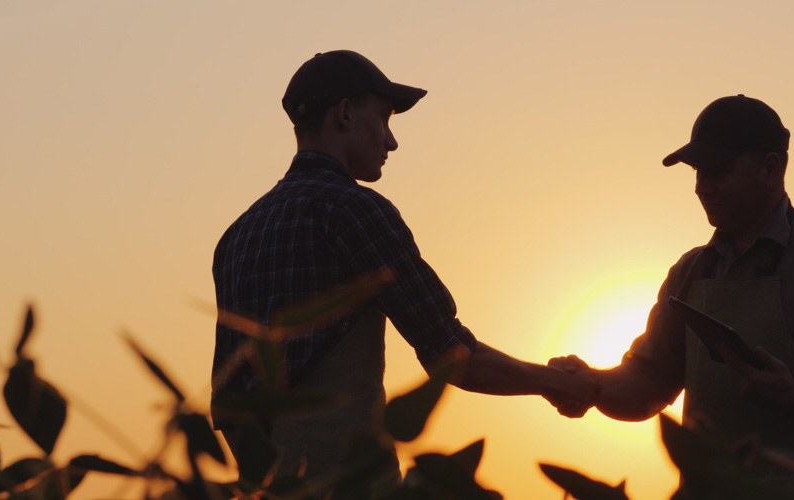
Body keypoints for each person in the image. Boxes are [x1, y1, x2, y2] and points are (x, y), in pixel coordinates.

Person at [210, 50, 593, 490]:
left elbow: (229, 406)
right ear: (346, 113)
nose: (392, 142)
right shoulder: (355, 211)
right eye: (385, 118)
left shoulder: (236, 237)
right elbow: (452, 355)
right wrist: (554, 382)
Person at [549, 95, 794, 474]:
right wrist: (590, 384)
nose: (701, 188)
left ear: (770, 169)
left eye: (717, 171)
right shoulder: (689, 272)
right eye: (697, 174)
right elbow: (649, 385)